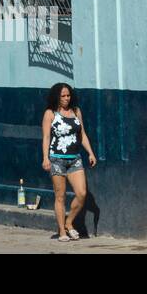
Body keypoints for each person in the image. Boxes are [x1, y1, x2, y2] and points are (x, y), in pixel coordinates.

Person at [41, 82, 97, 242]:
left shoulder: (76, 111)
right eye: (63, 96)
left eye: (68, 95)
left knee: (81, 193)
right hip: (56, 158)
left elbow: (82, 134)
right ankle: (62, 231)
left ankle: (69, 222)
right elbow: (46, 137)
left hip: (75, 158)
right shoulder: (50, 113)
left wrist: (90, 153)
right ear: (56, 97)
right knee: (60, 196)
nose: (66, 98)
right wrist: (45, 157)